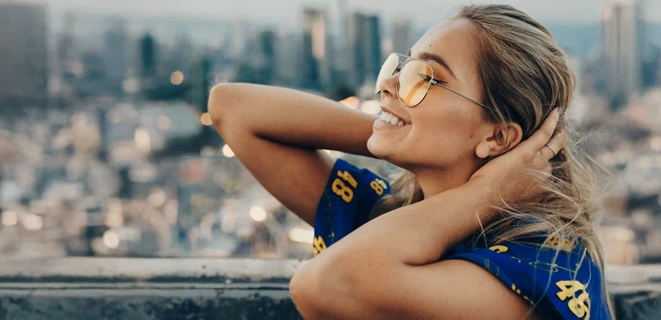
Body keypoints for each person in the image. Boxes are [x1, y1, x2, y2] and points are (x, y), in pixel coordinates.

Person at [209, 4, 610, 319]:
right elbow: (231, 108)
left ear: (497, 137)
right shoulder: (388, 218)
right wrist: (394, 129)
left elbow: (323, 284)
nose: (387, 84)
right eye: (401, 67)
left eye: (426, 78)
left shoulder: (540, 270)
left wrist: (487, 190)